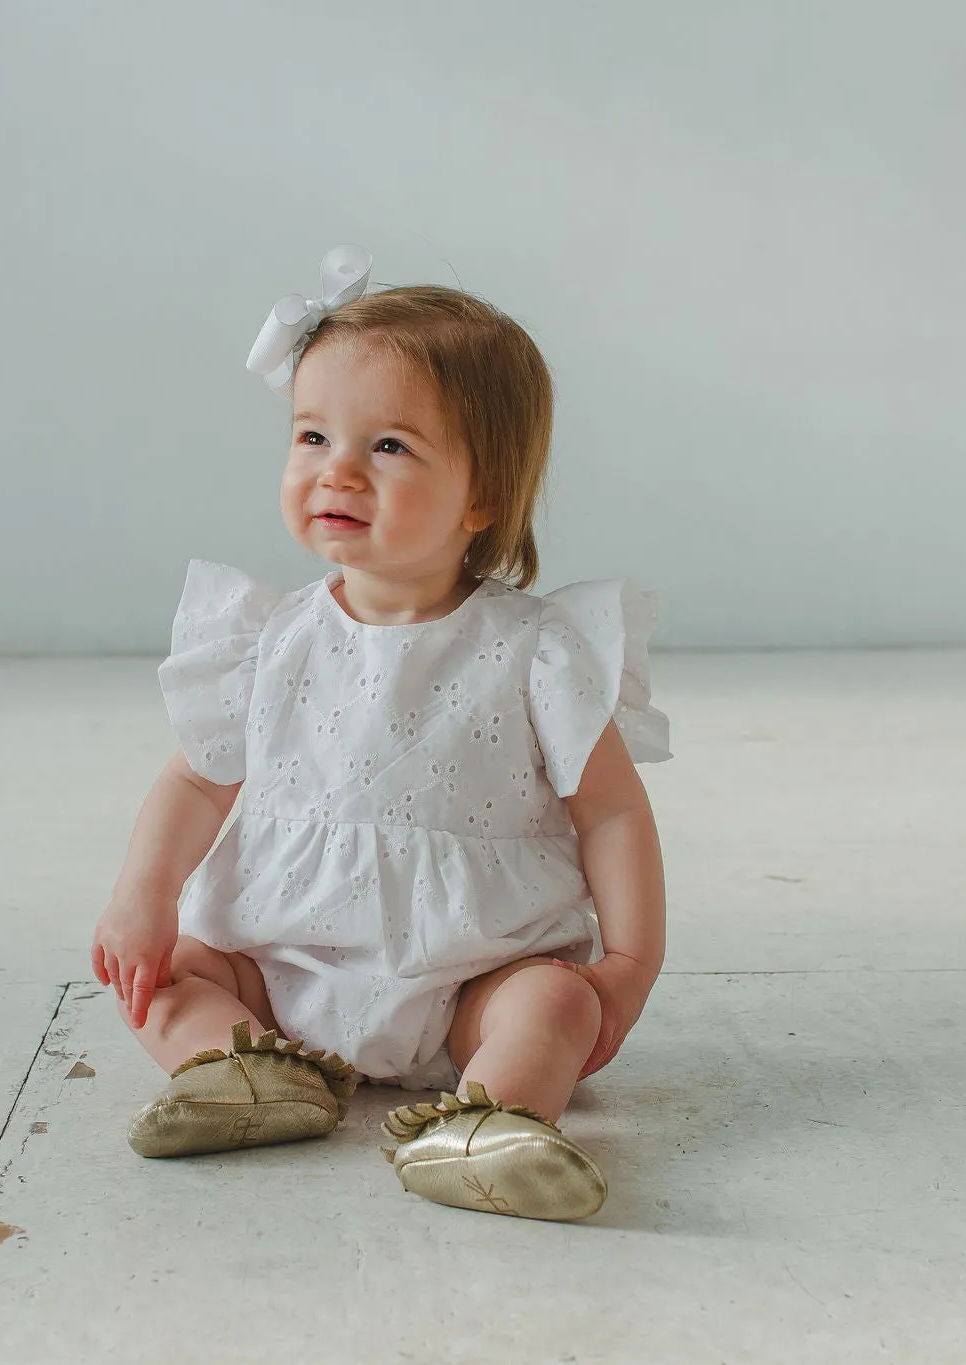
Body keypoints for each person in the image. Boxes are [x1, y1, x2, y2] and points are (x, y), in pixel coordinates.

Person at [91, 247, 671, 1221]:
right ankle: (242, 1074)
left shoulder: (534, 651)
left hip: (472, 973)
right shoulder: (265, 640)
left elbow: (610, 812)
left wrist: (628, 963)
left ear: (482, 496)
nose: (337, 471)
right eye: (311, 436)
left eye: (389, 447)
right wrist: (139, 900)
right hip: (281, 965)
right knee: (166, 976)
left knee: (555, 1003)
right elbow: (196, 783)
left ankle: (494, 1123)